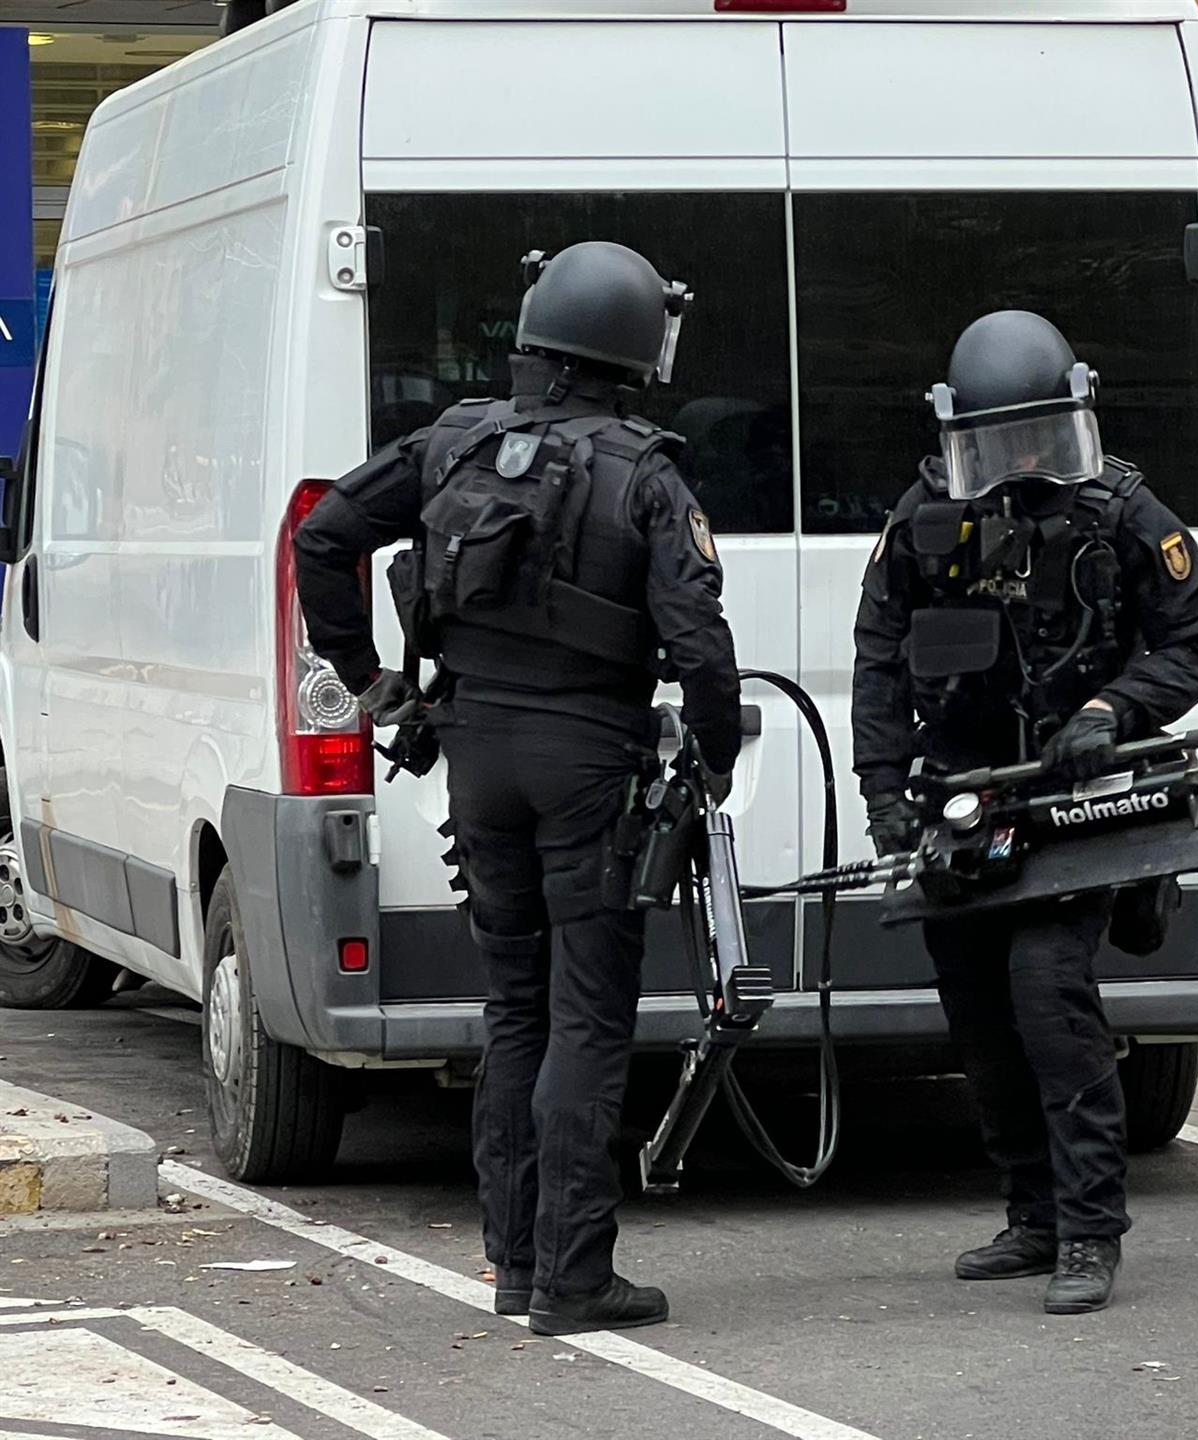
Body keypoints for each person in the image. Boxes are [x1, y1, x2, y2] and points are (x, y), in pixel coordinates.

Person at [294, 241, 741, 1337]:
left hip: (475, 756)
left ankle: (511, 1263)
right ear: (634, 347)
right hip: (587, 764)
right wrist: (714, 761)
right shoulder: (644, 471)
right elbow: (701, 645)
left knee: (513, 1011)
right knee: (587, 1015)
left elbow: (324, 535)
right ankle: (575, 1278)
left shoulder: (456, 442)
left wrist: (373, 687)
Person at [851, 311, 1198, 1315]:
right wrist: (885, 799)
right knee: (978, 1014)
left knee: (1047, 993)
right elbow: (879, 664)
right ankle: (1032, 1213)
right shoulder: (926, 519)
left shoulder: (1125, 512)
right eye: (999, 441)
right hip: (966, 799)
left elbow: (1197, 641)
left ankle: (1090, 1230)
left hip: (1081, 797)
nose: (1021, 461)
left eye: (1039, 436)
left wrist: (1112, 709)